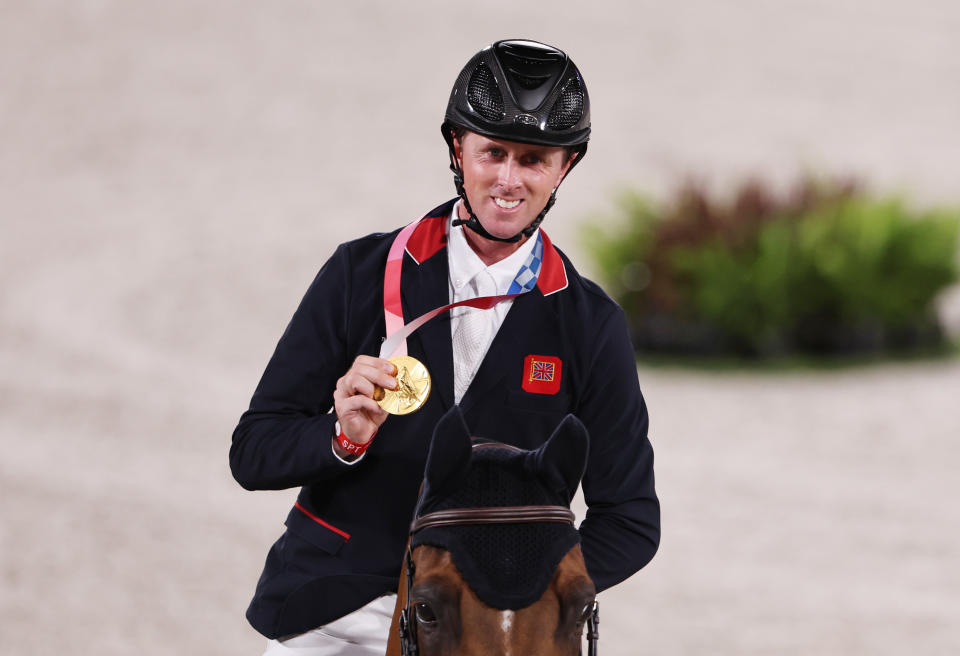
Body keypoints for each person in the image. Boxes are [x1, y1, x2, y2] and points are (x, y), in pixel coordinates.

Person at [230, 39, 659, 655]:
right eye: (493, 153)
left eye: (534, 159)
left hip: (482, 635)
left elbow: (632, 518)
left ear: (566, 167)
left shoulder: (592, 324)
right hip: (337, 608)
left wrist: (524, 590)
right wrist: (340, 438)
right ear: (459, 149)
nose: (509, 180)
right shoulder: (359, 273)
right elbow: (253, 452)